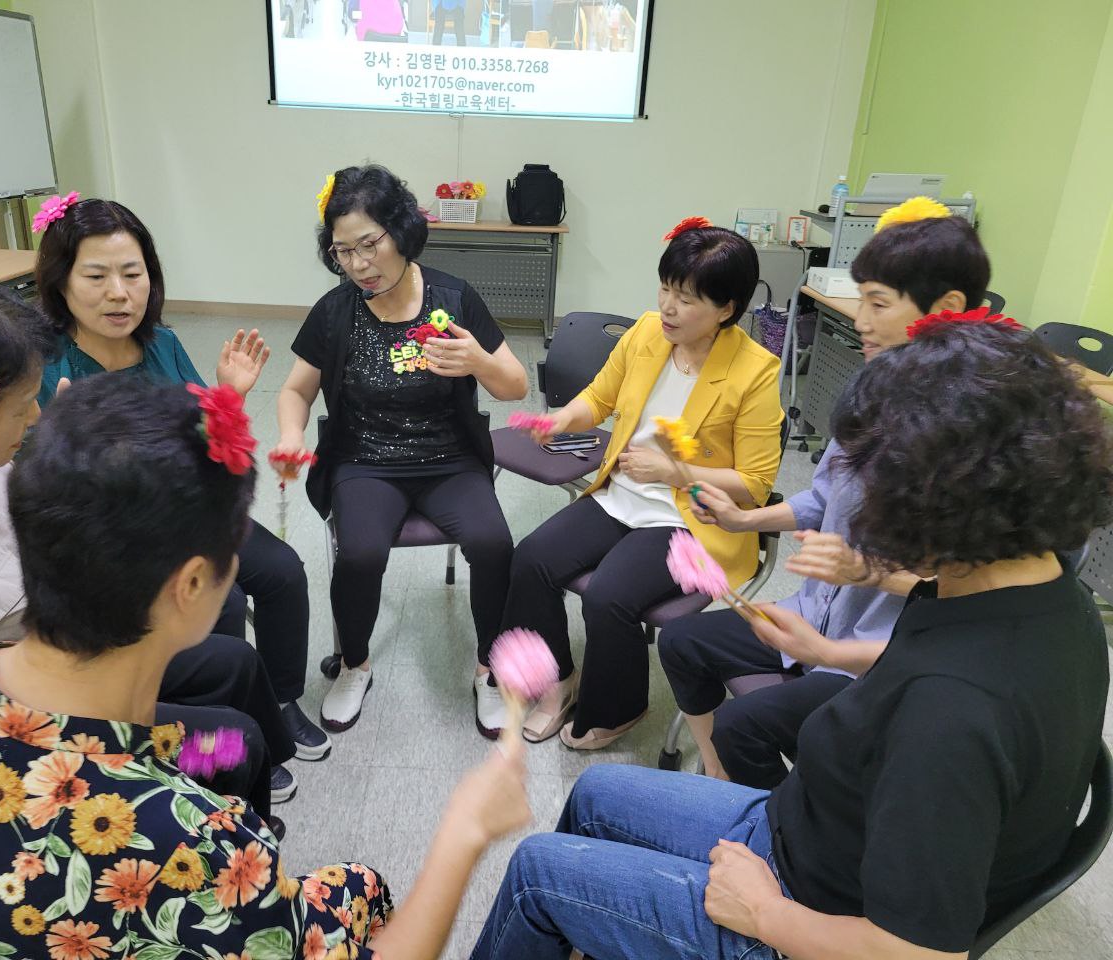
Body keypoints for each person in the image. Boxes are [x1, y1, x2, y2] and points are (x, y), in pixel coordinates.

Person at [471, 318, 1113, 960]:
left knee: (536, 872)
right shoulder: (1049, 598)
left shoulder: (956, 713)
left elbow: (919, 954)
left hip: (798, 914)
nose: (855, 507)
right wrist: (828, 653)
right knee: (594, 795)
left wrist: (766, 914)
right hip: (802, 827)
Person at [0, 374, 532, 960]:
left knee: (234, 738)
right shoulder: (193, 850)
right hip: (187, 856)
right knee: (358, 884)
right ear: (193, 584)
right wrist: (465, 832)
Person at [0, 271, 281, 819]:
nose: (38, 418)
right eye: (23, 407)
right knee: (233, 741)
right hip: (23, 740)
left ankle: (246, 784)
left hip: (67, 651)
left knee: (232, 664)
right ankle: (220, 831)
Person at [658, 200, 990, 786]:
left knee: (745, 725)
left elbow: (968, 594)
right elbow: (823, 496)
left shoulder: (971, 433)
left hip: (881, 657)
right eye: (860, 298)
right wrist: (741, 521)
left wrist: (868, 573)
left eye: (877, 303)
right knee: (684, 641)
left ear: (948, 310)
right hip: (817, 616)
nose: (859, 318)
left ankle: (780, 839)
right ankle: (718, 778)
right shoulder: (871, 386)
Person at [33, 195, 326, 801]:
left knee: (284, 572)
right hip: (121, 541)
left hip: (191, 510)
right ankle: (222, 743)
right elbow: (40, 495)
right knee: (219, 603)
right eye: (96, 276)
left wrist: (229, 395)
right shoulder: (47, 367)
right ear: (61, 283)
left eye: (132, 274)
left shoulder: (162, 344)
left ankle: (275, 699)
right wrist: (60, 446)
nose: (119, 292)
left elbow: (204, 438)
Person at [498, 218, 782, 749]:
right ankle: (559, 679)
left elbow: (755, 483)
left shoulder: (755, 371)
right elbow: (600, 398)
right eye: (666, 289)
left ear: (727, 309)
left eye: (688, 299)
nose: (669, 307)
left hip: (688, 521)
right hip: (622, 496)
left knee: (608, 598)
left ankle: (619, 708)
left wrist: (675, 471)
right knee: (531, 558)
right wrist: (560, 420)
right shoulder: (650, 332)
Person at [275, 164, 527, 735]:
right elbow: (295, 389)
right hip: (365, 459)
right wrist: (292, 435)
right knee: (359, 551)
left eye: (370, 244)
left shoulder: (454, 298)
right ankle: (355, 661)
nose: (359, 265)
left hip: (450, 457)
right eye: (343, 252)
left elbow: (513, 386)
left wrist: (477, 362)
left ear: (402, 231)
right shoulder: (336, 310)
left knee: (493, 543)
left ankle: (489, 667)